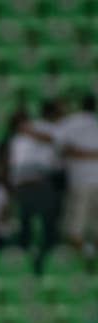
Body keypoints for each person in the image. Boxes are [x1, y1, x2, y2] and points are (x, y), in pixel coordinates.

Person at [8, 106, 62, 276]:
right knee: (24, 224)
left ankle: (47, 259)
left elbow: (55, 140)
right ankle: (25, 263)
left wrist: (32, 132)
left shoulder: (43, 128)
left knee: (47, 223)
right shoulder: (16, 140)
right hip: (22, 185)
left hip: (41, 182)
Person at [58, 94, 98, 268]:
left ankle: (86, 260)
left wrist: (83, 155)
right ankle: (89, 259)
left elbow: (60, 147)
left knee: (76, 229)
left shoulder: (70, 122)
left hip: (81, 181)